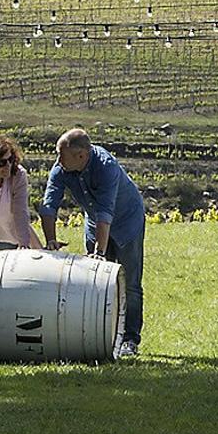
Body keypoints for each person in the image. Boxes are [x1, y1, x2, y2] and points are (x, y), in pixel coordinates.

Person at [39, 128, 147, 358]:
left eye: (62, 155)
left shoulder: (106, 166)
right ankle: (99, 336)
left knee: (129, 284)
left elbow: (105, 212)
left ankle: (129, 340)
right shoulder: (61, 169)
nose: (57, 160)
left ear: (81, 156)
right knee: (96, 285)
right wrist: (50, 241)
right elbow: (49, 205)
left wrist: (99, 252)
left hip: (127, 223)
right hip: (95, 225)